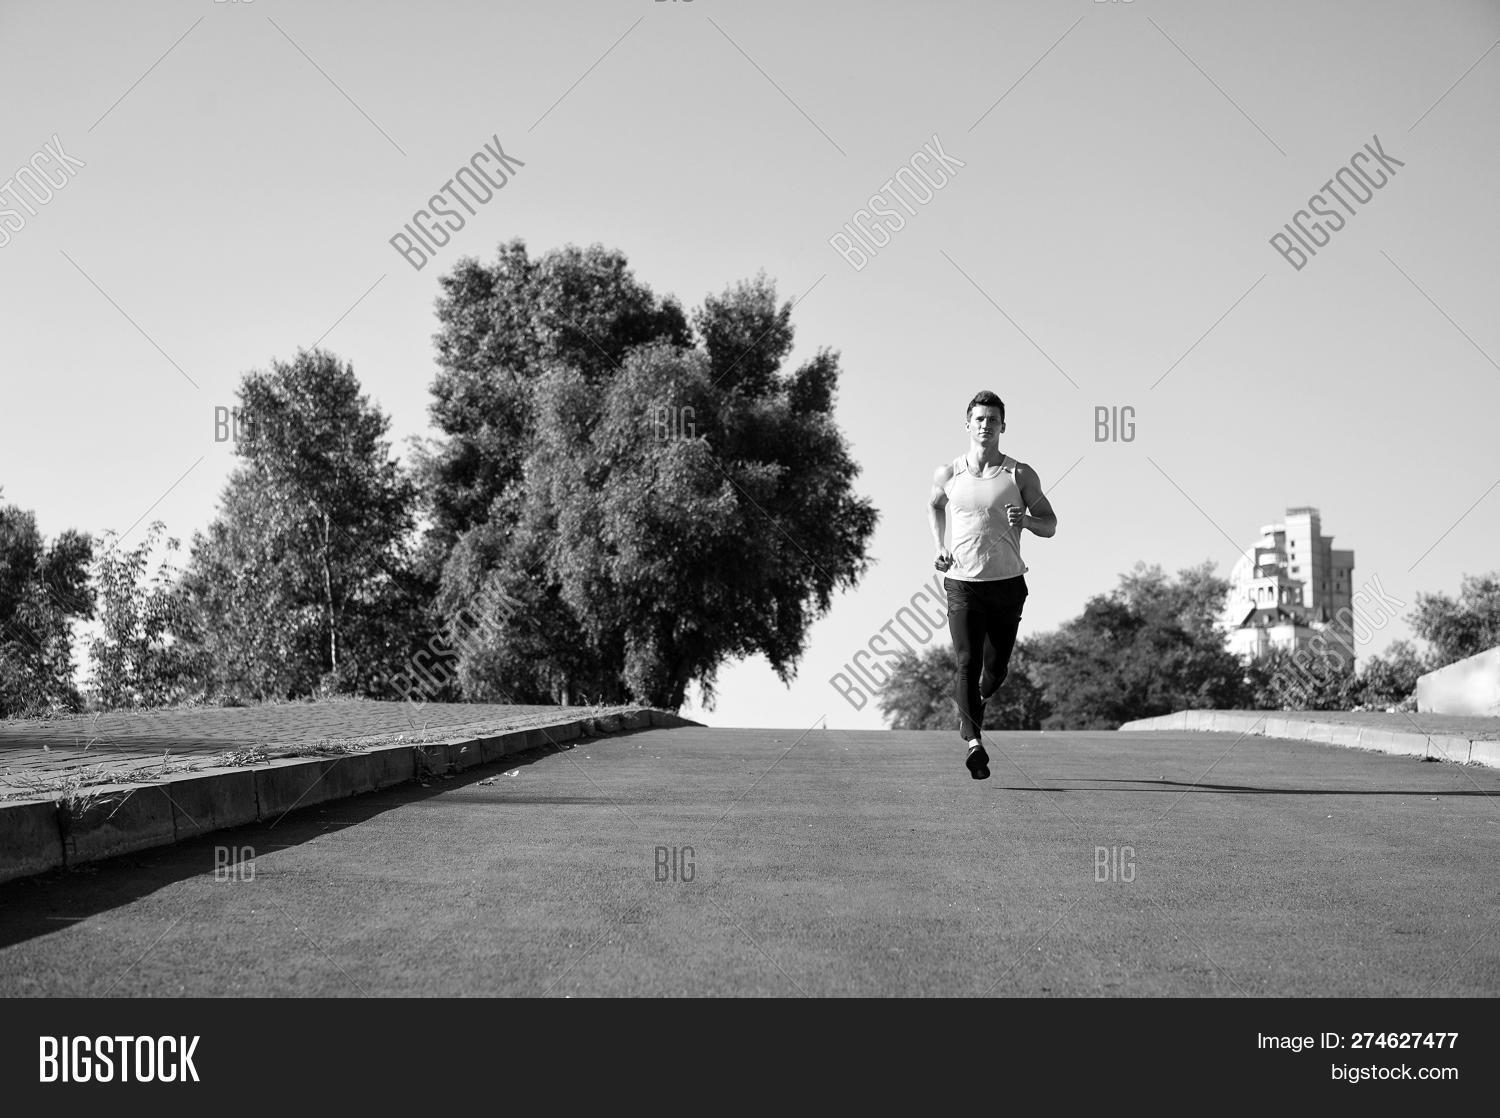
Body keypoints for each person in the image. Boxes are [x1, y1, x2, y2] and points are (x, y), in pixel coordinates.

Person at [928, 390, 1056, 779]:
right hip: (963, 584)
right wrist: (940, 547)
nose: (986, 425)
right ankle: (974, 744)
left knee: (995, 670)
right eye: (979, 419)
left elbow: (1050, 524)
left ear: (1003, 426)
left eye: (993, 420)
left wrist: (1027, 522)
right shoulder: (949, 473)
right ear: (968, 424)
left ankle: (974, 703)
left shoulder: (1019, 474)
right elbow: (934, 506)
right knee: (966, 661)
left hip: (1007, 585)